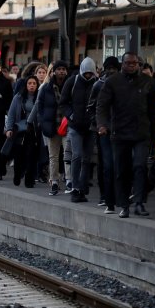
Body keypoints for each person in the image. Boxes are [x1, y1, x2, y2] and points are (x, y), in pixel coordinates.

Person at [96, 52, 155, 218]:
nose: (132, 66)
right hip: (120, 132)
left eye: (135, 63)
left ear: (139, 64)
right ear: (122, 64)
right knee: (121, 170)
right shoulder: (112, 82)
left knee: (140, 166)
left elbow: (154, 111)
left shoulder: (148, 82)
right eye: (128, 63)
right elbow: (102, 106)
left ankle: (139, 202)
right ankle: (124, 205)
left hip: (141, 132)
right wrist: (102, 125)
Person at [59, 57, 98, 203]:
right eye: (86, 73)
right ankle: (75, 187)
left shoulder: (96, 83)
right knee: (77, 155)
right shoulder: (72, 81)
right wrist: (71, 115)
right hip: (75, 126)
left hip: (90, 127)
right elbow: (63, 103)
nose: (88, 76)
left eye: (90, 73)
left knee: (87, 158)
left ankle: (82, 187)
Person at [32, 60, 69, 195]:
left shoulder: (70, 85)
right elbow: (39, 106)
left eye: (63, 69)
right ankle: (54, 181)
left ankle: (69, 180)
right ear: (53, 72)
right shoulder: (46, 88)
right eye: (58, 69)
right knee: (53, 155)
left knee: (67, 154)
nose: (61, 72)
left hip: (67, 125)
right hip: (52, 126)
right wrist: (42, 122)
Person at [88, 56, 120, 213]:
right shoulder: (98, 85)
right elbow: (92, 107)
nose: (112, 70)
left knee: (118, 164)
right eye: (109, 68)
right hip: (103, 130)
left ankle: (117, 196)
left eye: (114, 68)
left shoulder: (124, 84)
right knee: (106, 164)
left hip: (121, 130)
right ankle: (106, 197)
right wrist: (99, 124)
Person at [5, 75, 40, 187]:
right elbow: (11, 114)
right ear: (26, 85)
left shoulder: (39, 97)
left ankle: (29, 180)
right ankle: (17, 174)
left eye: (34, 83)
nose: (32, 86)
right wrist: (9, 129)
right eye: (29, 83)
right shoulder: (18, 97)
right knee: (19, 155)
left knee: (31, 155)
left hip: (33, 130)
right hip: (19, 130)